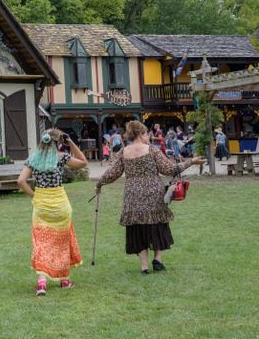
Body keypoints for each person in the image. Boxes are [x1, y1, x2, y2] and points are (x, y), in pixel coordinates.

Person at [96, 121, 205, 274]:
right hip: (153, 193)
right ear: (140, 134)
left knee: (137, 229)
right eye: (146, 133)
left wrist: (100, 183)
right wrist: (191, 162)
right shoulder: (152, 150)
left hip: (132, 195)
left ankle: (144, 266)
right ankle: (158, 260)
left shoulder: (123, 152)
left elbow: (112, 173)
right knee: (157, 226)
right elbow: (169, 169)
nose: (148, 136)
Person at [17, 128, 87, 296]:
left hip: (42, 205)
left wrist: (35, 195)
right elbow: (83, 162)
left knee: (41, 243)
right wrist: (69, 142)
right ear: (58, 142)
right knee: (62, 242)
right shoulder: (61, 157)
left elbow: (20, 181)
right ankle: (64, 280)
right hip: (60, 204)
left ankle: (42, 283)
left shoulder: (34, 159)